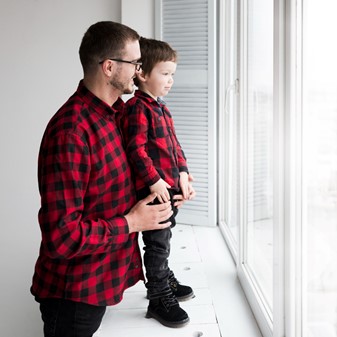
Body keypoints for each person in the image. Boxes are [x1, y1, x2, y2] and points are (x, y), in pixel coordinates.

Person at [30, 22, 186, 337]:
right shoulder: (72, 132)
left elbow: (126, 178)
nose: (140, 71)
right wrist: (131, 223)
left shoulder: (118, 116)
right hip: (73, 296)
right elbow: (62, 237)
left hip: (100, 283)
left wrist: (170, 185)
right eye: (136, 63)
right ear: (110, 67)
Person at [121, 37, 196, 328]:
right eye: (165, 73)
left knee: (164, 240)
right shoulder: (138, 109)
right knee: (157, 244)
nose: (170, 80)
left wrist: (183, 175)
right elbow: (135, 150)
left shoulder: (161, 108)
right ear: (142, 73)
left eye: (172, 74)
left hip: (168, 188)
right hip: (153, 193)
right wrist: (155, 181)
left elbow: (175, 147)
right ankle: (158, 296)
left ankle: (163, 277)